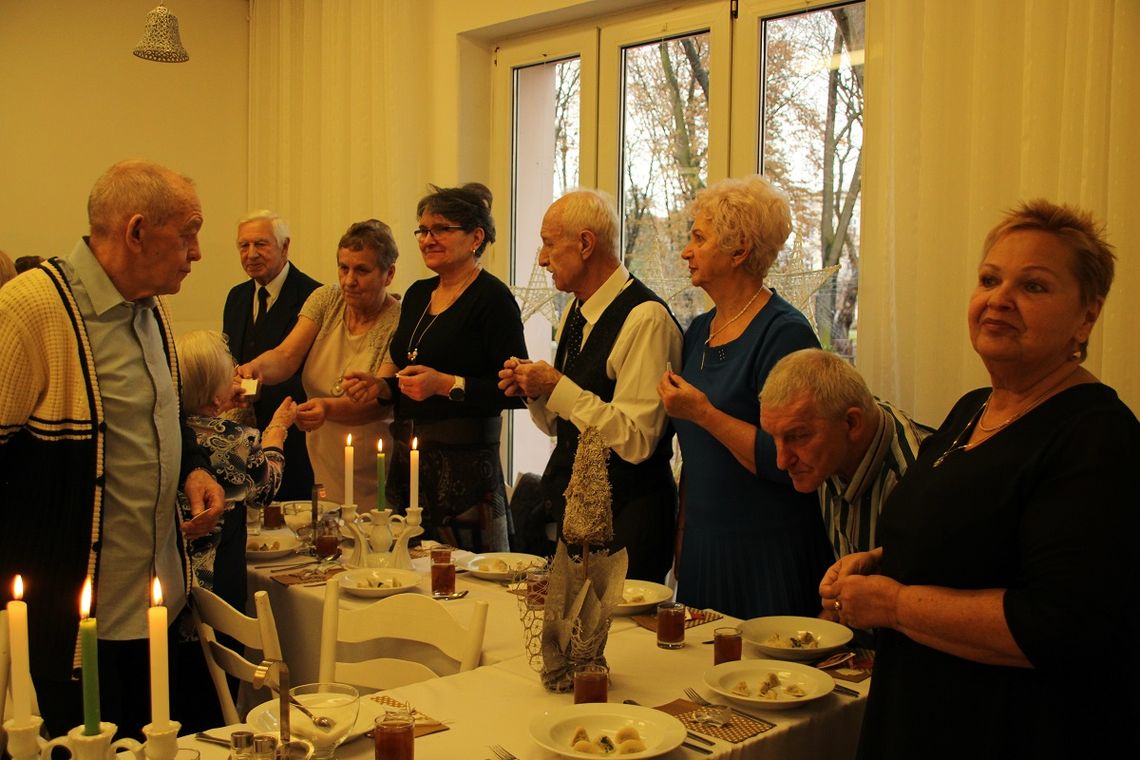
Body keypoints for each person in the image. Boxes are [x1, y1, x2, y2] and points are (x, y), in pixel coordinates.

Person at [820, 200, 1138, 758]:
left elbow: (1058, 623)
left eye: (1033, 286)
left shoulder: (1097, 436)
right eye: (990, 279)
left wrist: (893, 604)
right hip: (916, 713)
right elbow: (975, 540)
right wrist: (880, 561)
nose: (999, 299)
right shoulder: (973, 408)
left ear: (1087, 315)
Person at [0, 159, 225, 739]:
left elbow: (164, 417)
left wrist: (193, 469)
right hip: (72, 626)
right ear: (137, 231)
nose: (197, 252)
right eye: (189, 233)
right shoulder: (29, 310)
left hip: (159, 611)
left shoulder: (153, 307)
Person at [657, 174, 832, 620]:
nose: (686, 251)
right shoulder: (698, 331)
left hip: (766, 554)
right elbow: (695, 459)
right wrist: (682, 536)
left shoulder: (783, 333)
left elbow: (792, 459)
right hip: (704, 550)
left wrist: (704, 413)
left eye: (699, 238)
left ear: (739, 251)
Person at [498, 189, 682, 581]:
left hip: (630, 521)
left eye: (549, 244)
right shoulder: (576, 311)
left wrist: (558, 385)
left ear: (585, 244)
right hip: (577, 519)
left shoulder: (646, 318)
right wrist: (536, 391)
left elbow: (636, 441)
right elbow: (560, 426)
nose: (542, 259)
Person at [343, 183, 527, 552]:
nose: (428, 240)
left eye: (441, 229)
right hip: (409, 465)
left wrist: (446, 384)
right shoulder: (416, 294)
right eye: (423, 230)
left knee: (464, 579)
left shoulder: (493, 298)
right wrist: (382, 387)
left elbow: (516, 391)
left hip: (466, 476)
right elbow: (409, 373)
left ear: (476, 237)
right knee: (403, 572)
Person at [237, 219, 400, 509]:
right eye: (343, 268)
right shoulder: (326, 299)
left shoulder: (400, 320)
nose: (349, 280)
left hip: (373, 461)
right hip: (322, 456)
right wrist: (256, 368)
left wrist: (326, 407)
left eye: (362, 270)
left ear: (389, 274)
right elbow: (286, 356)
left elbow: (378, 402)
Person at [759, 348, 932, 561]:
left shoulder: (915, 486)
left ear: (852, 424)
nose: (781, 461)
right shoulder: (837, 431)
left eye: (798, 436)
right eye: (773, 438)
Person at [177, 330, 294, 608]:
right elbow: (265, 490)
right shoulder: (237, 439)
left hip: (174, 578)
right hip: (218, 585)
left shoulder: (169, 433)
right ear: (217, 397)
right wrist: (277, 433)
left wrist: (217, 403)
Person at [223, 210, 320, 501]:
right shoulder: (236, 297)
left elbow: (310, 369)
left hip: (296, 438)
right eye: (244, 245)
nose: (251, 254)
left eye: (261, 244)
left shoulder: (314, 296)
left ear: (284, 246)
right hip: (246, 443)